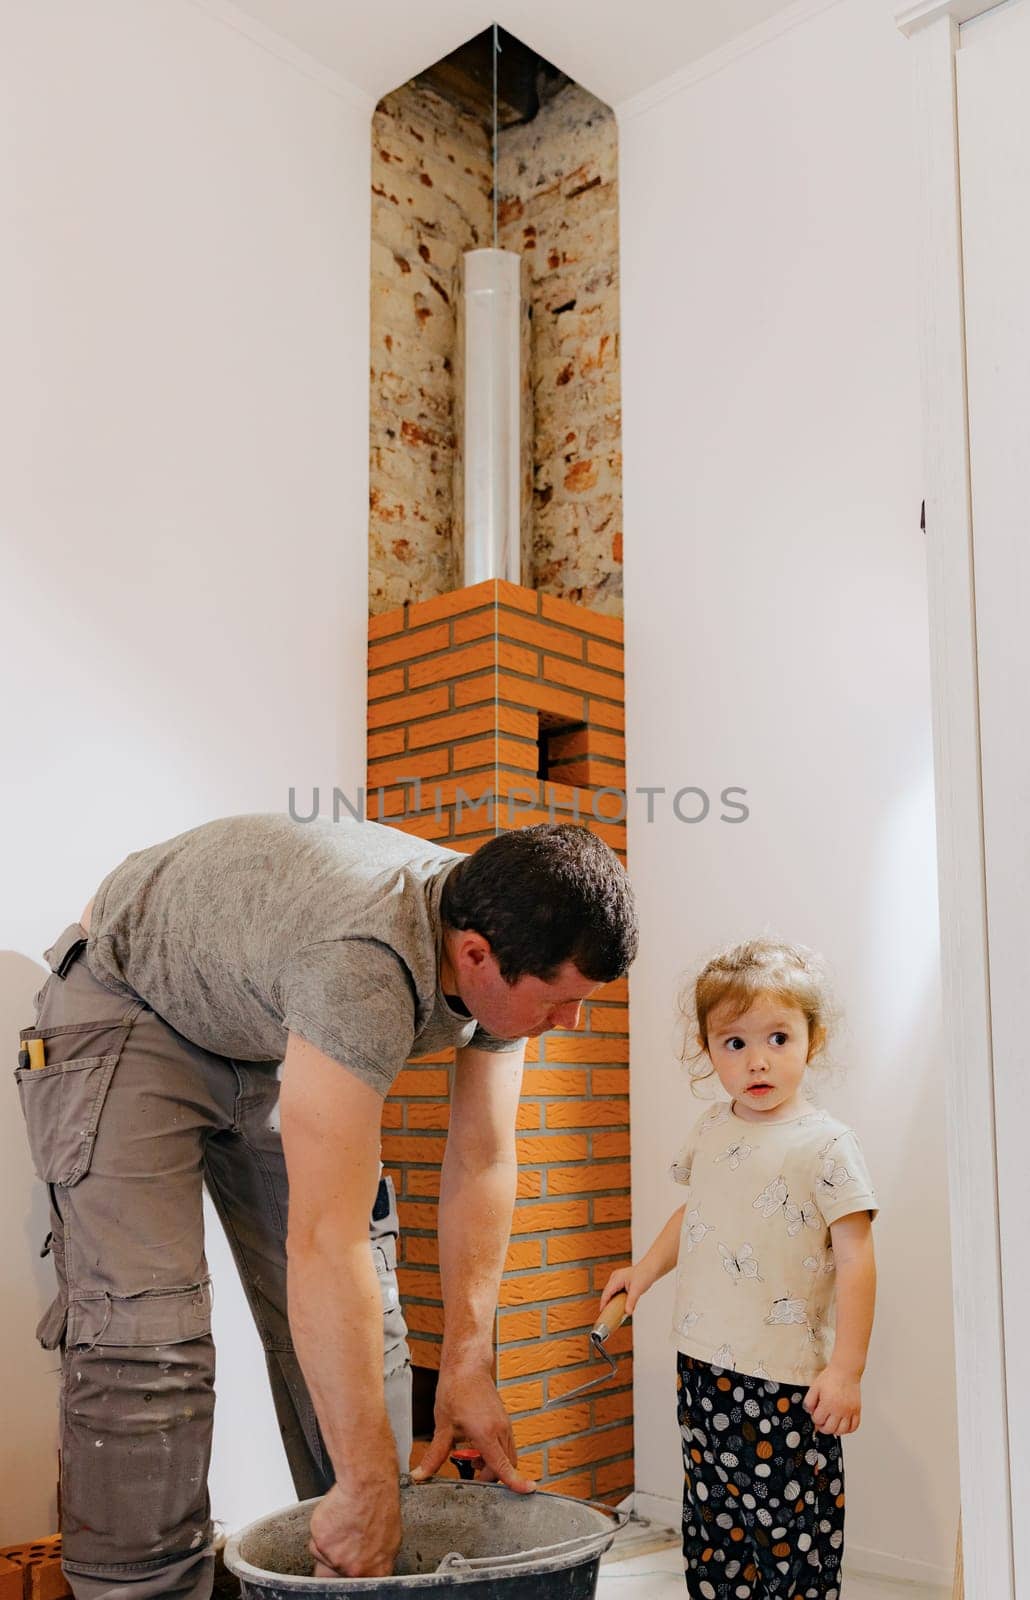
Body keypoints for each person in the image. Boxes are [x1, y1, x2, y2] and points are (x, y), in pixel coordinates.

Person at [16, 813, 638, 1599]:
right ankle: (148, 1589)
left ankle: (354, 1562)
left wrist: (469, 1366)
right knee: (148, 1338)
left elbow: (483, 1157)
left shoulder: (511, 916)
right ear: (476, 957)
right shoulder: (363, 966)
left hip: (261, 1016)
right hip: (129, 1000)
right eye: (560, 1003)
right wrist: (368, 1484)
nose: (570, 1023)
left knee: (365, 1333)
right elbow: (324, 1238)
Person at [601, 939, 876, 1600]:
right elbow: (696, 1214)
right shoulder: (714, 1128)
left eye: (778, 1037)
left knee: (785, 1527)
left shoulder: (827, 1145)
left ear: (814, 1039)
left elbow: (858, 1258)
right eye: (734, 1043)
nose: (757, 1060)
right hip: (702, 1364)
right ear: (708, 1049)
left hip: (782, 1379)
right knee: (715, 1518)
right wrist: (643, 1272)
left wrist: (846, 1369)